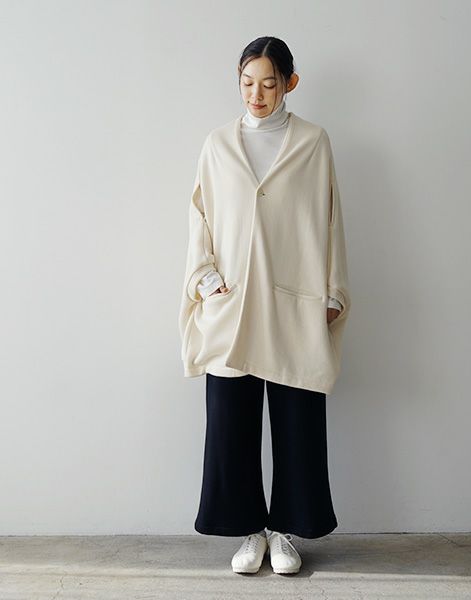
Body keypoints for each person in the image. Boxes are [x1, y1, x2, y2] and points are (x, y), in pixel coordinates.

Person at [178, 36, 351, 575]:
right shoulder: (217, 144)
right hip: (233, 303)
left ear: (290, 83)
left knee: (298, 421)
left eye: (269, 83)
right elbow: (199, 218)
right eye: (247, 82)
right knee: (230, 421)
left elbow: (331, 218)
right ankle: (249, 530)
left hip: (294, 300)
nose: (256, 94)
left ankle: (284, 532)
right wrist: (205, 280)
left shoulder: (313, 142)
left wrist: (333, 293)